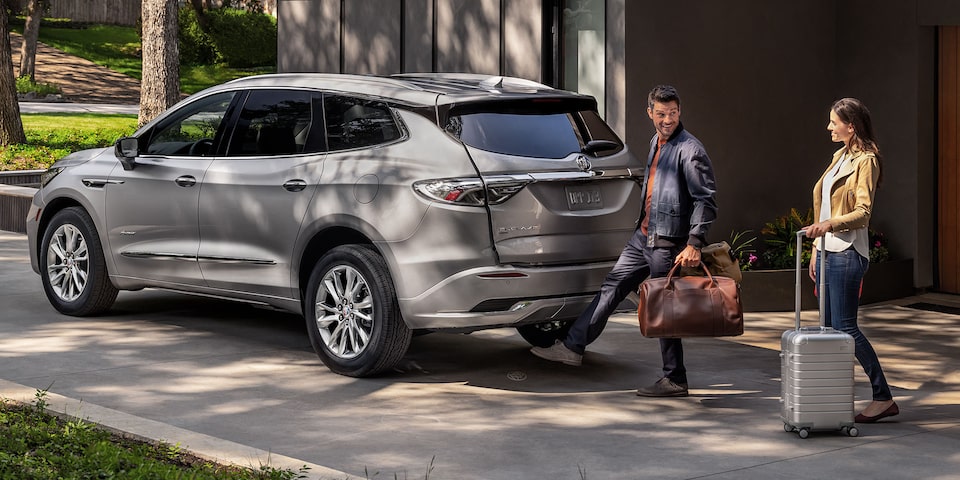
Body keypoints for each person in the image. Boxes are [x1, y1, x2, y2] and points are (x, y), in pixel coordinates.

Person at [531, 85, 718, 397]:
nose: (667, 119)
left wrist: (695, 242)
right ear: (650, 113)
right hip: (644, 236)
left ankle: (675, 378)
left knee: (663, 308)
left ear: (679, 112)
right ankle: (572, 346)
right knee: (612, 287)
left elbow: (706, 201)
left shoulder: (691, 150)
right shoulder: (656, 142)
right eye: (661, 114)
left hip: (667, 242)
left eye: (672, 113)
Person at [802, 97, 898, 423]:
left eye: (834, 122)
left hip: (847, 253)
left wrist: (829, 226)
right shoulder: (839, 156)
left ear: (851, 125)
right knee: (829, 330)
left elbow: (862, 213)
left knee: (846, 329)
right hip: (829, 252)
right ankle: (835, 398)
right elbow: (823, 208)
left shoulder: (866, 161)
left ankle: (883, 396)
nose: (829, 127)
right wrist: (816, 249)